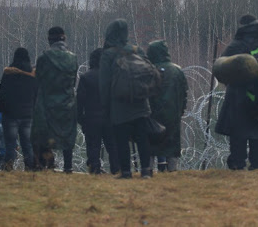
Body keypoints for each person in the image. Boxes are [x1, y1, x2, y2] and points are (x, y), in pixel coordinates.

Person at [214, 14, 258, 170]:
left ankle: (237, 163)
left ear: (243, 25)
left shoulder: (237, 44)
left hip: (239, 95)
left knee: (238, 131)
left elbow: (221, 67)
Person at [99, 18, 153, 178]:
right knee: (143, 138)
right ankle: (146, 170)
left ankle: (126, 172)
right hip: (140, 102)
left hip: (119, 104)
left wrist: (106, 107)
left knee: (121, 140)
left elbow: (104, 84)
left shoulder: (108, 55)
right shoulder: (138, 50)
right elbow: (149, 71)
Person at [31, 27, 78, 172]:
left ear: (50, 40)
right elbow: (74, 81)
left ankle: (45, 166)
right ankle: (68, 167)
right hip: (68, 103)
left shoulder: (44, 58)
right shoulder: (73, 58)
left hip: (47, 103)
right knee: (67, 135)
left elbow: (38, 81)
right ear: (64, 39)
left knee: (44, 135)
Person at [147, 40, 188, 172]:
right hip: (172, 114)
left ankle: (147, 170)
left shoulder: (149, 71)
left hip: (152, 114)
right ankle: (172, 171)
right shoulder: (176, 70)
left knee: (150, 144)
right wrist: (180, 111)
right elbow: (184, 93)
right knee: (171, 144)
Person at [76, 47, 119, 174]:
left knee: (93, 147)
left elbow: (80, 101)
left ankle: (94, 170)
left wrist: (81, 119)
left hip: (91, 118)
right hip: (110, 117)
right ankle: (116, 170)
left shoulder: (85, 77)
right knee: (113, 147)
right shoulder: (112, 77)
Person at [0, 47, 37, 171]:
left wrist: (3, 110)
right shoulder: (32, 75)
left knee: (10, 144)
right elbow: (36, 94)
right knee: (27, 145)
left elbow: (2, 94)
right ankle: (30, 169)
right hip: (27, 115)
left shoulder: (8, 74)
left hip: (10, 115)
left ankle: (8, 167)